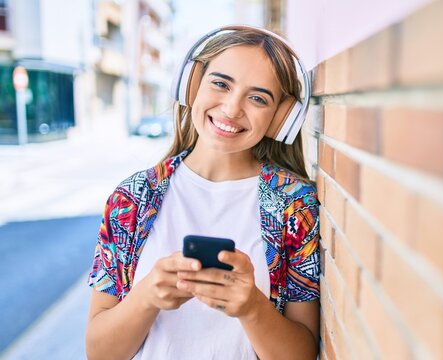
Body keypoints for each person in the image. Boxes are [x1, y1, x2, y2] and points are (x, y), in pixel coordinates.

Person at [85, 26, 321, 360]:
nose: (231, 108)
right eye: (221, 84)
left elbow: (302, 354)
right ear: (192, 84)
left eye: (258, 98)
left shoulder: (294, 206)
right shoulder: (132, 198)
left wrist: (253, 308)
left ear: (281, 118)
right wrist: (146, 297)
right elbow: (99, 352)